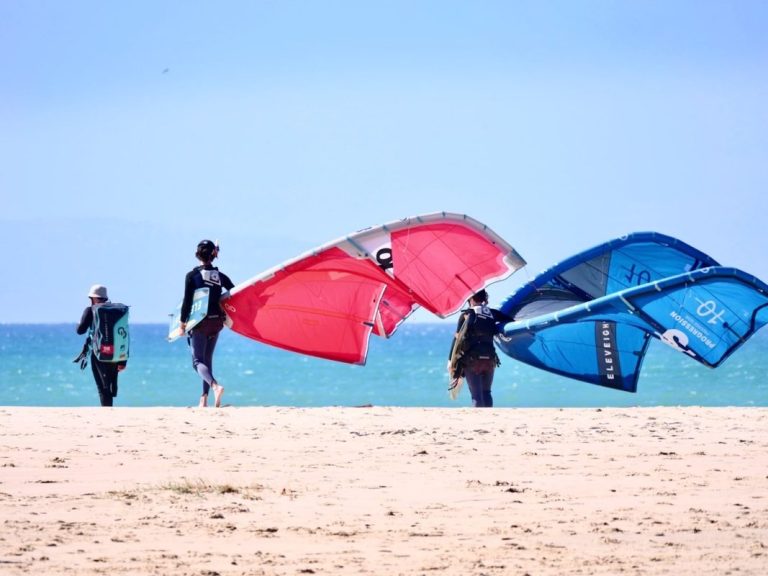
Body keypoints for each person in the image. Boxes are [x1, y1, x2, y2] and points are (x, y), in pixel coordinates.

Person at [180, 240, 234, 408]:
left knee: (197, 362)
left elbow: (187, 302)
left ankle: (215, 386)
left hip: (200, 323)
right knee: (207, 359)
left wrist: (182, 323)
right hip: (216, 322)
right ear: (213, 254)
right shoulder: (220, 276)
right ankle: (203, 399)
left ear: (198, 254)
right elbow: (233, 293)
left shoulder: (192, 276)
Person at [447, 289, 503, 407]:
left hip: (472, 361)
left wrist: (450, 361)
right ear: (484, 298)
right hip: (490, 360)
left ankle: (480, 422)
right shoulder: (493, 313)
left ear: (471, 299)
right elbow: (510, 321)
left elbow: (458, 338)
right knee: (486, 393)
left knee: (476, 395)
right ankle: (490, 421)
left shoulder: (467, 314)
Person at [75, 284, 126, 407]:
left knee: (103, 387)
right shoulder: (117, 311)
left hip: (99, 353)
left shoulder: (90, 310)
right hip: (117, 354)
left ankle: (106, 414)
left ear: (92, 298)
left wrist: (78, 323)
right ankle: (109, 410)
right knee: (110, 384)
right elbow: (123, 335)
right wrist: (123, 360)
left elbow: (80, 330)